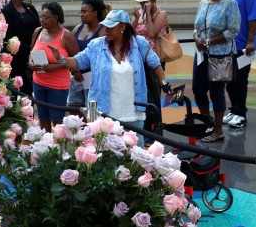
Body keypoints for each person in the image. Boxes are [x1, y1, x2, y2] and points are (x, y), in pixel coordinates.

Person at [48, 10, 171, 148]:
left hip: (133, 112)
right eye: (105, 26)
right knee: (105, 151)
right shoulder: (96, 45)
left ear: (122, 27)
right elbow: (77, 62)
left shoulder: (139, 43)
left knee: (136, 152)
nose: (106, 30)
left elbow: (155, 63)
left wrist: (164, 82)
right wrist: (60, 58)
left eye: (110, 27)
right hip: (105, 113)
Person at [192, 0, 240, 143]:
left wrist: (208, 42)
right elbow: (197, 27)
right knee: (197, 90)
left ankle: (217, 130)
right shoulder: (203, 3)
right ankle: (208, 124)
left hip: (220, 56)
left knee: (217, 93)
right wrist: (197, 38)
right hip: (201, 55)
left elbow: (233, 30)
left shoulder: (229, 4)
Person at [28, 2, 79, 132]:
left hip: (58, 85)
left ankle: (59, 147)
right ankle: (46, 145)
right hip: (39, 81)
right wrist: (31, 63)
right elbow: (31, 51)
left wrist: (56, 67)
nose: (42, 20)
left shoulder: (66, 35)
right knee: (43, 117)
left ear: (56, 18)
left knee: (57, 119)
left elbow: (76, 60)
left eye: (46, 17)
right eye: (41, 17)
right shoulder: (37, 31)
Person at [223, 0, 256, 128]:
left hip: (244, 46)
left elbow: (253, 18)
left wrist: (250, 41)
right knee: (229, 81)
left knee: (240, 80)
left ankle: (240, 113)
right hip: (227, 46)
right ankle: (234, 109)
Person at [131, 0, 169, 143]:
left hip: (153, 61)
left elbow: (152, 33)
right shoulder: (139, 14)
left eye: (145, 2)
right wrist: (135, 18)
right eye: (140, 2)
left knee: (152, 94)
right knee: (140, 93)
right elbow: (127, 32)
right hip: (137, 59)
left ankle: (154, 131)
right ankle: (142, 130)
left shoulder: (161, 14)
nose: (142, 5)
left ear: (153, 1)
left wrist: (147, 14)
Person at [67, 0, 110, 110]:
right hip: (75, 77)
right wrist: (75, 70)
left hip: (93, 80)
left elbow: (102, 57)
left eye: (84, 12)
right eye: (81, 11)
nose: (81, 14)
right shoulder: (77, 29)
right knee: (74, 111)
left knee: (92, 113)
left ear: (95, 13)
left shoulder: (104, 31)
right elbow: (68, 50)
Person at [2, 0, 41, 96]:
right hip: (17, 57)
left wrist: (35, 49)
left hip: (35, 53)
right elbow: (9, 36)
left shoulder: (30, 8)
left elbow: (39, 29)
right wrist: (28, 49)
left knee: (36, 89)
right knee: (20, 91)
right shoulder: (6, 10)